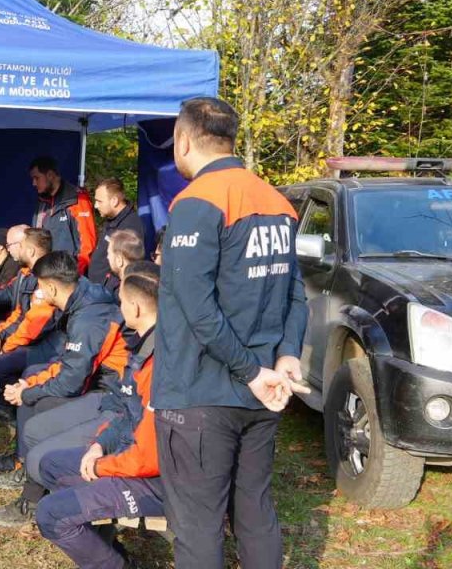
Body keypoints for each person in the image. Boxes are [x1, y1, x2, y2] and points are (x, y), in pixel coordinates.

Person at [154, 97, 310, 569]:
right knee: (255, 511)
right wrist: (285, 358)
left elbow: (197, 309)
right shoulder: (276, 201)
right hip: (262, 392)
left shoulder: (195, 203)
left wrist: (249, 371)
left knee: (198, 526)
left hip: (203, 393)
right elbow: (295, 294)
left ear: (183, 141)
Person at [0, 251, 130, 528]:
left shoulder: (90, 317)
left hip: (113, 398)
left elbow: (72, 381)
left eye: (39, 287)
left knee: (35, 405)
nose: (38, 294)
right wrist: (32, 383)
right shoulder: (84, 301)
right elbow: (70, 364)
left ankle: (30, 497)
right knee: (32, 389)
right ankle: (26, 468)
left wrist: (29, 392)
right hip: (101, 387)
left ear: (51, 287)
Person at [35, 264, 163, 569]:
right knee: (50, 465)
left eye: (120, 302)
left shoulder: (164, 363)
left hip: (159, 482)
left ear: (135, 307)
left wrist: (103, 466)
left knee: (50, 514)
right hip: (129, 456)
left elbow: (149, 458)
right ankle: (106, 546)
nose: (119, 309)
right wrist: (99, 446)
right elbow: (125, 410)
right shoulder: (143, 346)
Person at [0, 228, 60, 420]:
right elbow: (18, 312)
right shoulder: (25, 273)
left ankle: (10, 406)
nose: (11, 250)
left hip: (47, 344)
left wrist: (7, 346)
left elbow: (35, 325)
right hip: (27, 336)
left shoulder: (46, 277)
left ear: (31, 251)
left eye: (17, 245)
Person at [29, 157, 97, 276]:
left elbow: (87, 245)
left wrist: (75, 277)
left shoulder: (76, 199)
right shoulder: (42, 202)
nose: (33, 183)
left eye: (36, 178)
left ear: (50, 175)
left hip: (68, 277)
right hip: (47, 274)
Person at [87, 178, 145, 285]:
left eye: (99, 201)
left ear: (114, 201)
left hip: (109, 297)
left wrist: (108, 287)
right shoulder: (111, 220)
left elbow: (127, 268)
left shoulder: (130, 226)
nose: (96, 206)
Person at [102, 229, 145, 299]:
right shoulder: (146, 285)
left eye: (109, 253)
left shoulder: (123, 296)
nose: (107, 257)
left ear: (119, 260)